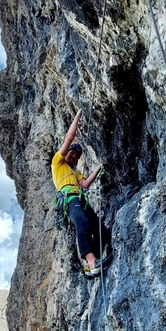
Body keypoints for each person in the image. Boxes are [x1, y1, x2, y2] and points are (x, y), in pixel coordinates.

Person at [51, 109, 110, 278]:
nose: (74, 156)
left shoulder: (75, 172)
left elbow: (85, 184)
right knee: (82, 222)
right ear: (66, 152)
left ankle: (94, 263)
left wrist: (99, 168)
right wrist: (77, 117)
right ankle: (91, 262)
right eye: (72, 152)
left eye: (76, 155)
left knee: (101, 230)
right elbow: (69, 138)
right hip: (68, 199)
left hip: (79, 199)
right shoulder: (57, 163)